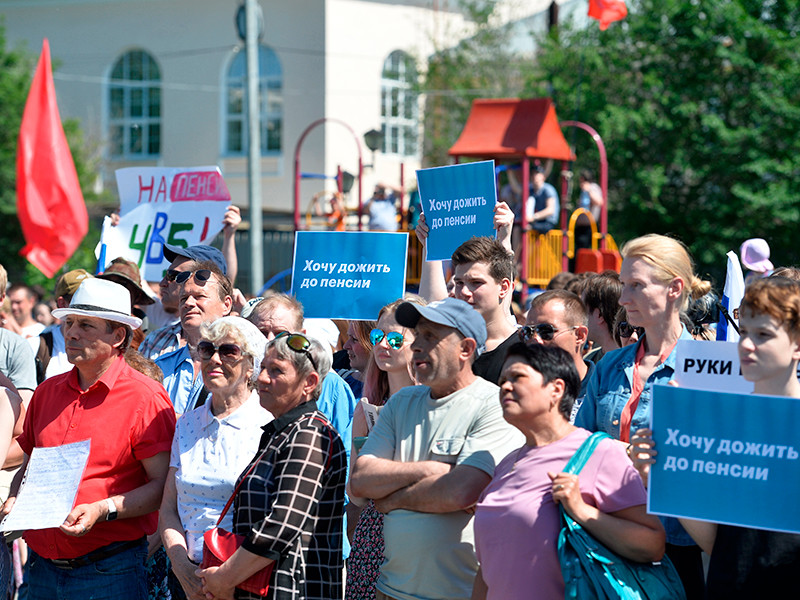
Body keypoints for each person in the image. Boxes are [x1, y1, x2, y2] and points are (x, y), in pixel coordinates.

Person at [2, 278, 176, 600]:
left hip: (110, 571)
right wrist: (16, 498)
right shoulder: (47, 392)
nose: (71, 333)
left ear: (118, 335)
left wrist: (103, 508)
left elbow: (164, 486)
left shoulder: (145, 397)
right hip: (41, 568)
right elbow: (28, 466)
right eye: (68, 322)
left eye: (85, 325)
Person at [631, 276, 800, 599]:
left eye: (763, 335)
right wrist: (660, 477)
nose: (747, 345)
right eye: (745, 332)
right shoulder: (728, 427)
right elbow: (718, 544)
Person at [350, 297, 523, 600]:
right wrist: (434, 470)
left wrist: (390, 499)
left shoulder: (494, 405)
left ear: (466, 349)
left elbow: (462, 491)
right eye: (416, 335)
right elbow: (362, 480)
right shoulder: (402, 403)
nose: (417, 346)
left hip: (461, 593)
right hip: (390, 590)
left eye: (431, 336)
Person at [575, 233, 711, 599]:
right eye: (623, 284)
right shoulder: (610, 365)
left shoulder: (710, 367)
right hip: (607, 535)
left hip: (679, 545)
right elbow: (578, 445)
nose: (623, 298)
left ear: (674, 288)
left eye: (636, 285)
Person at [472, 343, 665, 600]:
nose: (505, 386)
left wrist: (583, 511)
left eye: (517, 377)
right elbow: (489, 571)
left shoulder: (600, 453)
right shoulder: (506, 464)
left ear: (556, 389)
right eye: (502, 380)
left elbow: (652, 544)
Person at [196, 332, 347, 600]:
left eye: (276, 371)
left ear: (309, 383)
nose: (262, 378)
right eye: (263, 367)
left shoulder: (310, 433)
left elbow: (282, 523)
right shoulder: (284, 430)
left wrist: (224, 578)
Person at [160, 316, 271, 600]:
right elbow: (169, 508)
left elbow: (275, 518)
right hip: (186, 577)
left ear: (251, 366)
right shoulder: (186, 424)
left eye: (229, 351)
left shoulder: (268, 425)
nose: (215, 359)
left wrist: (225, 579)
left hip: (243, 580)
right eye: (208, 349)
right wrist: (181, 565)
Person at [345, 297, 421, 600]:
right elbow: (355, 492)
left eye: (394, 338)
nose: (382, 344)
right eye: (377, 336)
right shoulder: (367, 410)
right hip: (375, 539)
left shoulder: (438, 405)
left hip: (424, 540)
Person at [155, 260, 234, 414]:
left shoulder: (241, 366)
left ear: (226, 305)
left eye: (199, 296)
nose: (189, 303)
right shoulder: (160, 367)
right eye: (184, 298)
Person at [139, 244, 229, 361]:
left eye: (172, 276)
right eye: (185, 297)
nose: (162, 283)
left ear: (227, 304)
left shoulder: (239, 346)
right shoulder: (154, 340)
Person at [521, 289, 593, 417]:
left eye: (545, 330)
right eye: (528, 332)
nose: (535, 339)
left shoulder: (604, 390)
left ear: (580, 336)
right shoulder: (520, 391)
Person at [580, 270, 623, 362]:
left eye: (582, 308)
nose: (578, 315)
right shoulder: (589, 359)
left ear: (599, 315)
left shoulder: (631, 365)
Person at [3, 284, 45, 352]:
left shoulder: (42, 332)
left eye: (18, 302)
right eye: (11, 303)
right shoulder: (3, 330)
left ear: (31, 302)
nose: (14, 307)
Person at [527, 164, 560, 234]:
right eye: (533, 174)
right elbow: (517, 189)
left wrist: (534, 217)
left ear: (543, 176)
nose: (535, 176)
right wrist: (510, 173)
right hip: (538, 221)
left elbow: (550, 210)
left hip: (548, 222)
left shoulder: (548, 189)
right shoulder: (531, 190)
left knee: (527, 228)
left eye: (537, 173)